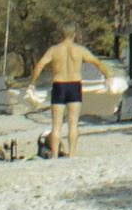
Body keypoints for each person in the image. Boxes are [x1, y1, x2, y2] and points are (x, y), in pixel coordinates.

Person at [24, 31, 104, 159]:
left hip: (59, 85)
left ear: (61, 35)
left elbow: (40, 65)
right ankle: (71, 154)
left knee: (56, 124)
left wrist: (31, 83)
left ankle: (55, 155)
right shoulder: (80, 50)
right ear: (75, 34)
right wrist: (108, 77)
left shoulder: (54, 50)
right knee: (73, 123)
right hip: (74, 85)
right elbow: (97, 62)